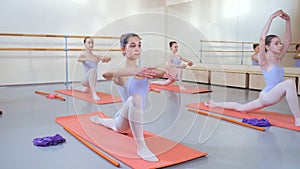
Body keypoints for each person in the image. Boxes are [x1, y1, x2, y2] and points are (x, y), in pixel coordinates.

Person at [205, 10, 300, 126]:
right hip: (267, 96)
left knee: (242, 108)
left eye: (280, 43)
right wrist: (271, 17)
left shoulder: (279, 58)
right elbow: (261, 39)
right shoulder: (264, 61)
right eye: (276, 43)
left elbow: (288, 40)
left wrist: (288, 20)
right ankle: (298, 119)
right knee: (289, 83)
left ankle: (215, 104)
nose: (280, 45)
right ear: (267, 47)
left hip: (274, 94)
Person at [89, 33, 171, 162]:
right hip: (123, 118)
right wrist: (134, 71)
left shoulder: (144, 71)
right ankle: (141, 147)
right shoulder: (122, 74)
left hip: (131, 118)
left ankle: (99, 119)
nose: (137, 49)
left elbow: (162, 74)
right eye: (132, 45)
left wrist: (170, 75)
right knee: (134, 100)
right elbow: (106, 74)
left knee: (110, 124)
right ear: (123, 49)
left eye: (139, 45)